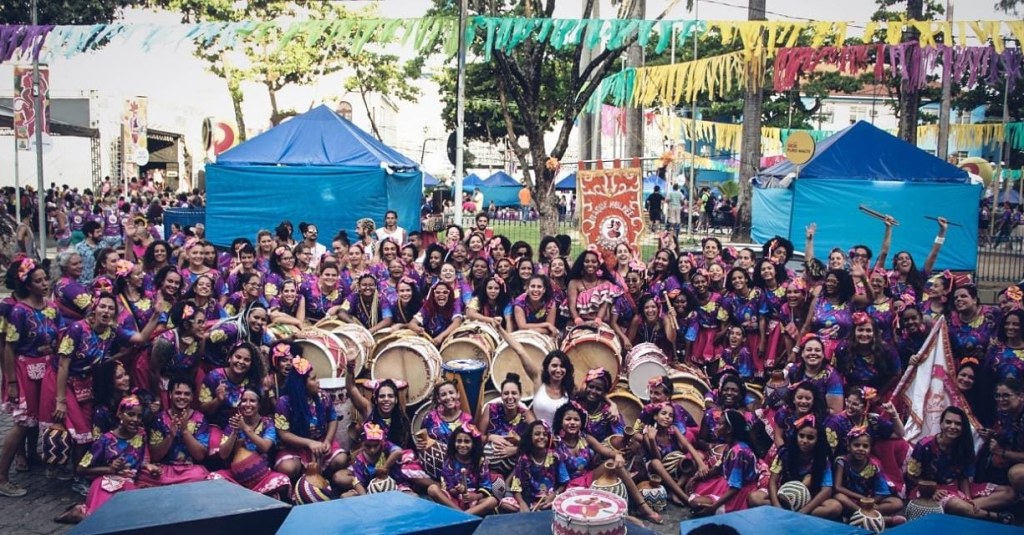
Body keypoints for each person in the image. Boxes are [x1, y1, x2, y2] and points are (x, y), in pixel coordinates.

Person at [905, 406, 1016, 523]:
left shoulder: (965, 446)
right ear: (941, 424)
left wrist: (967, 499)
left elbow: (964, 477)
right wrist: (933, 490)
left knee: (1010, 493)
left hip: (956, 489)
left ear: (963, 428)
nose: (953, 427)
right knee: (956, 504)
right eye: (948, 422)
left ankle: (963, 510)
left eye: (958, 424)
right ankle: (994, 516)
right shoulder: (924, 445)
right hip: (929, 490)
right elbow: (912, 476)